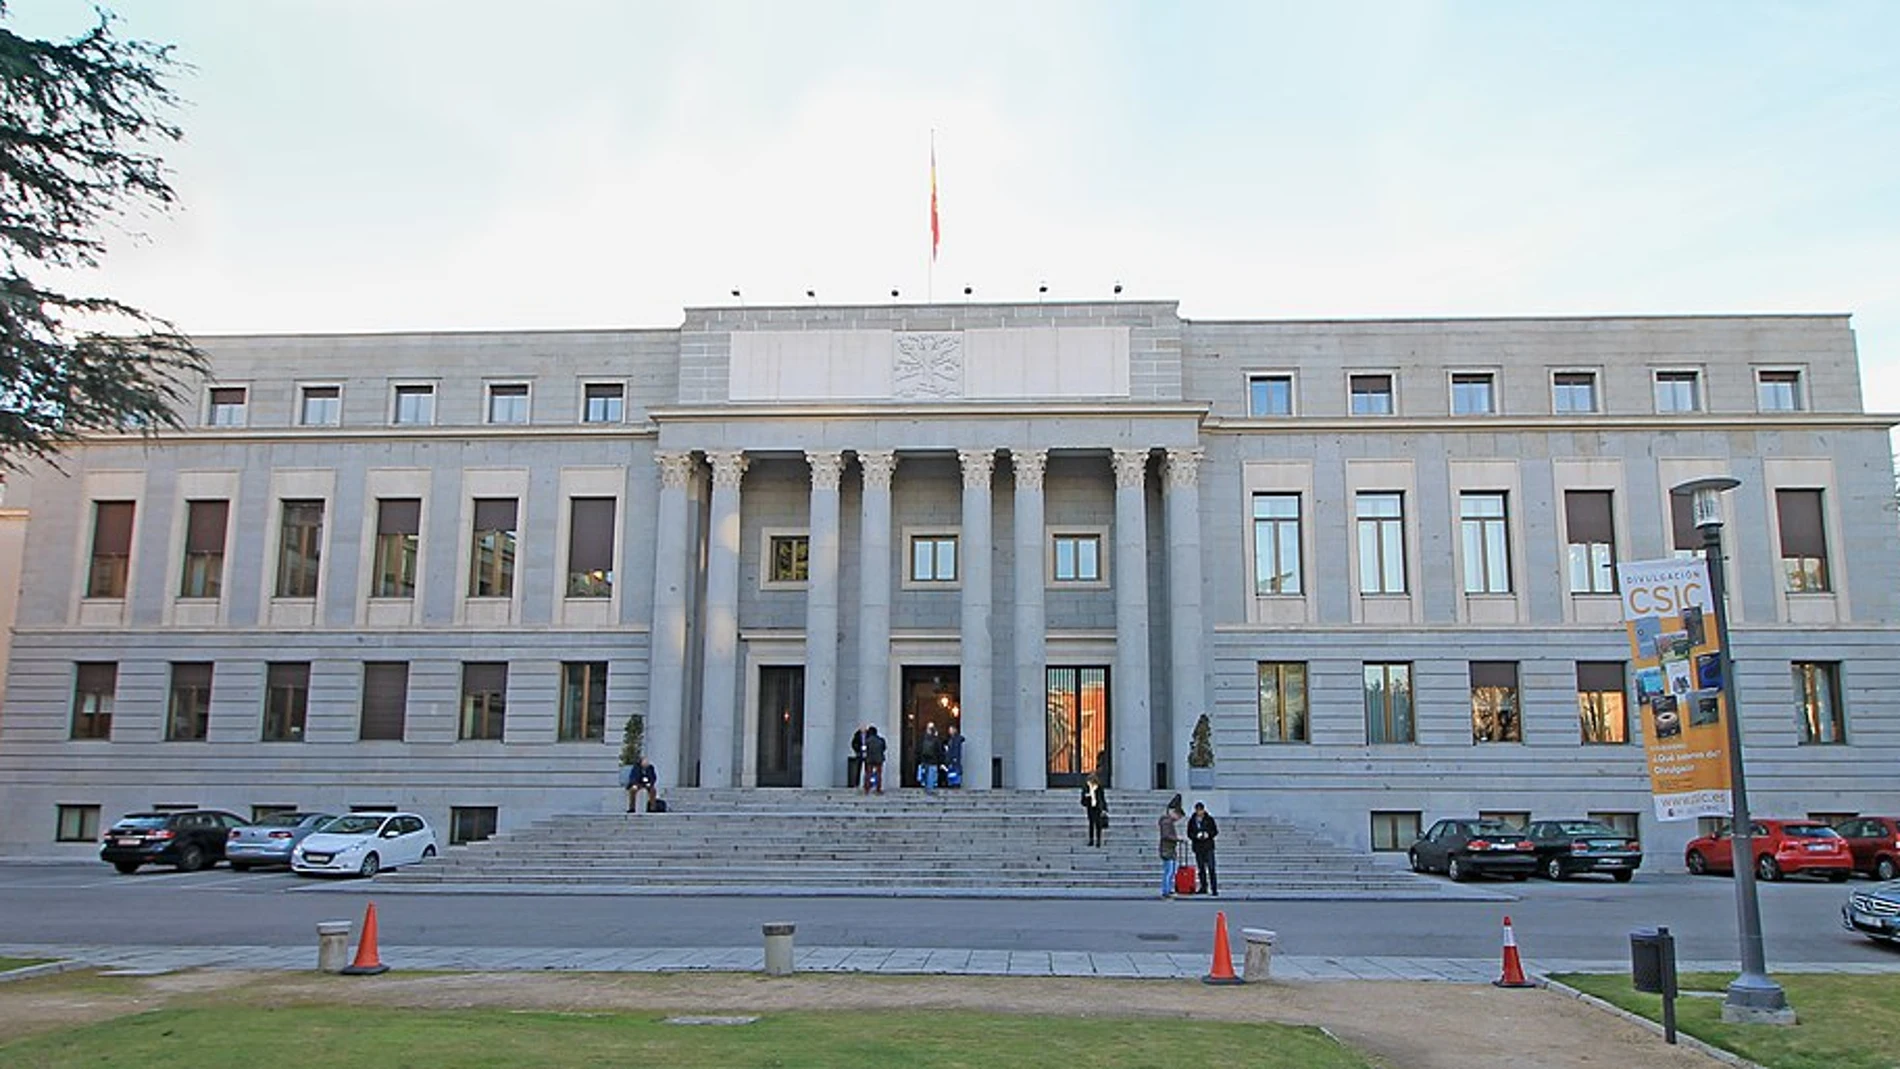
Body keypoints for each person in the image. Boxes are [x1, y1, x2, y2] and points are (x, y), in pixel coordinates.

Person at [1187, 801, 1219, 896]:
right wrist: (1196, 836)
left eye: (1201, 810)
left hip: (1208, 846)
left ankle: (1214, 888)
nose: (1199, 812)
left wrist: (1208, 834)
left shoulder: (1209, 819)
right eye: (1197, 810)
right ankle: (1203, 887)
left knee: (1211, 868)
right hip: (1198, 847)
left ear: (1203, 810)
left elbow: (1215, 831)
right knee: (1201, 868)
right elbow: (1189, 833)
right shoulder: (1192, 820)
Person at [1158, 793, 1185, 897]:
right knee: (1169, 871)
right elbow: (1166, 835)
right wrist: (1177, 839)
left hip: (1169, 849)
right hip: (1167, 849)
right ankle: (1166, 890)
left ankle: (1168, 889)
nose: (1178, 819)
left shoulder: (1168, 822)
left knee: (1170, 870)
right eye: (1178, 816)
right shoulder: (1167, 822)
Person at [1081, 773, 1109, 847]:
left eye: (1091, 780)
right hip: (1090, 808)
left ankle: (1098, 841)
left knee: (1098, 825)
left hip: (1098, 808)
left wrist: (1104, 808)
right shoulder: (1086, 788)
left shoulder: (1099, 788)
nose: (1090, 782)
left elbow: (1102, 798)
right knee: (1091, 824)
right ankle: (1091, 840)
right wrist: (1087, 797)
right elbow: (1083, 800)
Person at [916, 722, 944, 793]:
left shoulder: (922, 738)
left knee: (925, 774)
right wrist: (941, 761)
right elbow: (939, 751)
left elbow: (918, 749)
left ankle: (925, 787)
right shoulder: (936, 739)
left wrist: (918, 759)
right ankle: (930, 790)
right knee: (931, 775)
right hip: (933, 760)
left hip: (924, 760)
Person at [861, 725, 887, 794]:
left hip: (869, 758)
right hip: (879, 758)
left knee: (868, 773)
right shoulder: (881, 740)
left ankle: (867, 788)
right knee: (878, 774)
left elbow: (864, 749)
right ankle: (878, 788)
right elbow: (884, 748)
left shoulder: (867, 741)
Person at [943, 723, 965, 788]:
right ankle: (953, 783)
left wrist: (953, 757)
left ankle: (955, 784)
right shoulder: (952, 739)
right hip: (951, 758)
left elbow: (955, 749)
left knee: (955, 771)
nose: (949, 731)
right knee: (952, 772)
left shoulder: (955, 739)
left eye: (950, 730)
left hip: (954, 758)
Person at [847, 725, 865, 789]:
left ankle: (866, 783)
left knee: (868, 769)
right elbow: (854, 744)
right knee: (858, 769)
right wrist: (857, 750)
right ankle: (857, 783)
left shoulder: (868, 736)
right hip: (859, 753)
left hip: (867, 754)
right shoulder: (857, 736)